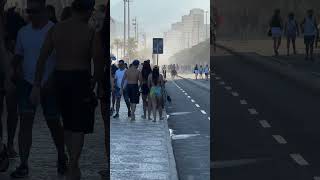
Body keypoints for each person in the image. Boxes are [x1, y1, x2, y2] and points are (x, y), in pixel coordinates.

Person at [31, 0, 105, 179]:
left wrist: (36, 84)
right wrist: (94, 81)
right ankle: (73, 163)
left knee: (67, 122)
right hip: (80, 79)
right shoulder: (89, 32)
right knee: (78, 125)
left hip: (60, 78)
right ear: (88, 11)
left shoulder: (56, 29)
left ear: (72, 9)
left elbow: (42, 58)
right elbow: (99, 61)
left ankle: (72, 162)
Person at [10, 0, 69, 177]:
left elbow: (62, 58)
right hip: (26, 83)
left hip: (49, 84)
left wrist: (52, 80)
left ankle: (61, 155)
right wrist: (16, 72)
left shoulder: (55, 30)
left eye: (34, 11)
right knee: (25, 123)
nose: (31, 15)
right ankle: (23, 163)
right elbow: (18, 56)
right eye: (29, 11)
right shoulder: (23, 32)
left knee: (53, 122)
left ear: (44, 10)